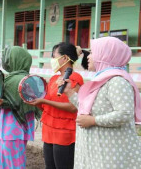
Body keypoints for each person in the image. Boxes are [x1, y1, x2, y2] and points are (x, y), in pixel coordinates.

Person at [62, 37, 141, 168]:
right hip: (96, 154)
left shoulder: (117, 81)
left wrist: (94, 121)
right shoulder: (101, 78)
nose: (88, 56)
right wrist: (70, 92)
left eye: (93, 52)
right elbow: (89, 109)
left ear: (106, 55)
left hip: (112, 156)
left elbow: (125, 114)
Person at [25, 42, 84, 169]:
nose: (52, 60)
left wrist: (44, 102)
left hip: (64, 132)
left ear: (65, 58)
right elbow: (46, 107)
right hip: (49, 130)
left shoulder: (75, 78)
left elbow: (73, 107)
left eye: (54, 56)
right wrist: (35, 100)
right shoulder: (53, 79)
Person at [0, 46, 41, 169]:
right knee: (12, 165)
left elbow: (28, 103)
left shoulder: (26, 80)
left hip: (13, 130)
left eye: (8, 58)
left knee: (7, 165)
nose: (6, 61)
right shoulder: (8, 77)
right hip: (7, 131)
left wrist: (4, 103)